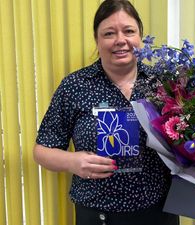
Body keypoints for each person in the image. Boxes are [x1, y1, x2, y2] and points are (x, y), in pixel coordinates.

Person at [33, 0, 179, 225]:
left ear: (140, 36)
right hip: (98, 216)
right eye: (109, 33)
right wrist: (72, 161)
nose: (120, 40)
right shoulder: (75, 85)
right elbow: (41, 150)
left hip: (159, 212)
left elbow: (191, 147)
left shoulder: (163, 85)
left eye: (129, 31)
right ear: (97, 39)